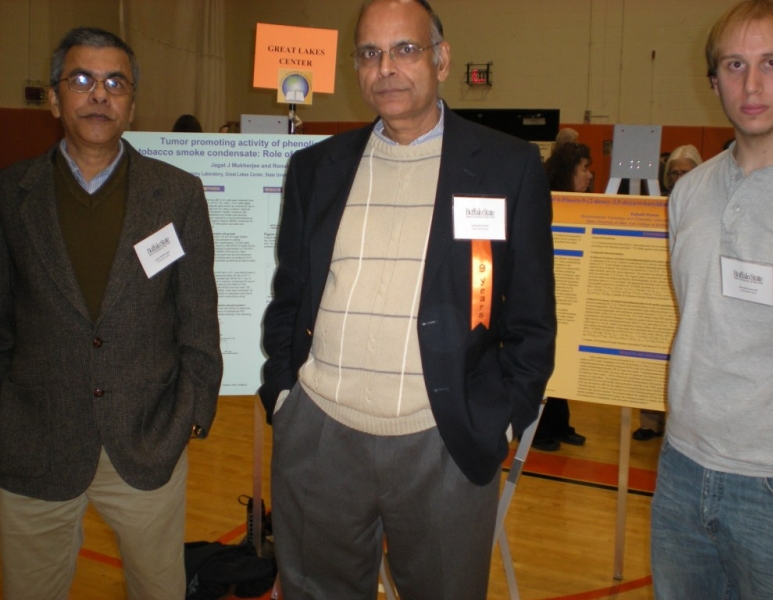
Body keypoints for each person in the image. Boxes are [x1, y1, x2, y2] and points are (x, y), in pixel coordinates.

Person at [258, 0, 556, 597]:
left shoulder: (506, 166)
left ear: (442, 59)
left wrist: (500, 420)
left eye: (405, 50)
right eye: (369, 53)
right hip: (320, 434)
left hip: (444, 437)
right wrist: (284, 395)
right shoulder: (316, 167)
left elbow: (531, 317)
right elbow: (290, 292)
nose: (385, 68)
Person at [0, 27, 222, 599]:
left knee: (160, 589)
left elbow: (197, 314)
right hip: (33, 444)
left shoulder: (177, 194)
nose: (98, 94)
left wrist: (192, 410)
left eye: (114, 82)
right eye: (81, 79)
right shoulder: (10, 195)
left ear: (131, 103)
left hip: (148, 440)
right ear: (53, 98)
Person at [651, 1, 773, 597]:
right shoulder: (688, 192)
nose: (753, 84)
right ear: (713, 81)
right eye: (734, 65)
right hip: (682, 470)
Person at [634, 143, 703, 442]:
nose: (679, 179)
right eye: (674, 173)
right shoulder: (657, 204)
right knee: (649, 356)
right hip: (655, 291)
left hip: (692, 294)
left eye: (685, 172)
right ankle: (650, 421)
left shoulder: (710, 203)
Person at [531, 142, 592, 452]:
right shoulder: (546, 203)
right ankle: (537, 430)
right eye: (584, 169)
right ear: (570, 171)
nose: (590, 175)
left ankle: (559, 423)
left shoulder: (582, 206)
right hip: (549, 294)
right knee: (546, 364)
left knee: (564, 360)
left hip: (571, 296)